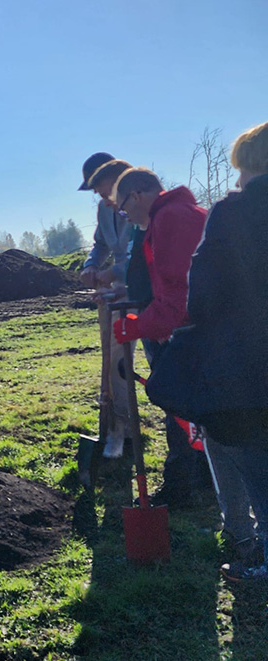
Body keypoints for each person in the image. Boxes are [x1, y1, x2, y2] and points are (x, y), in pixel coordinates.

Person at [185, 120, 268, 581]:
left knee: (258, 464)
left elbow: (202, 296)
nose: (236, 180)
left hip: (248, 367)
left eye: (241, 169)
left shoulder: (233, 214)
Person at [110, 167, 209, 506]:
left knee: (175, 399)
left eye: (124, 207)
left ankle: (184, 488)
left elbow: (179, 295)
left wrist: (138, 326)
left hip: (196, 335)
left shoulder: (169, 220)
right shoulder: (182, 214)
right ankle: (205, 483)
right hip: (201, 333)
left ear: (137, 195)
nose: (125, 215)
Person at [78, 155, 135, 458]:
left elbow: (137, 252)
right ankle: (120, 429)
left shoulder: (140, 202)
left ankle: (188, 441)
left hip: (146, 290)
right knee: (116, 362)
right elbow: (101, 244)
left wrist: (112, 275)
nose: (98, 196)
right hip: (120, 293)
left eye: (99, 188)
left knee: (164, 365)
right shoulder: (104, 209)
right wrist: (91, 267)